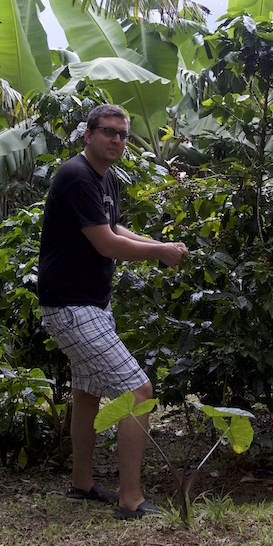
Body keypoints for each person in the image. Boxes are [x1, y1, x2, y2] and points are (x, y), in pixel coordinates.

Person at [37, 103, 188, 519]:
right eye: (108, 132)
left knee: (86, 395)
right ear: (87, 134)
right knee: (138, 391)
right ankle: (131, 500)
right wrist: (159, 251)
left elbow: (116, 228)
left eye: (122, 134)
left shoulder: (104, 179)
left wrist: (158, 247)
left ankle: (82, 485)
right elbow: (106, 244)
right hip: (72, 307)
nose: (117, 140)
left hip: (90, 305)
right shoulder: (76, 176)